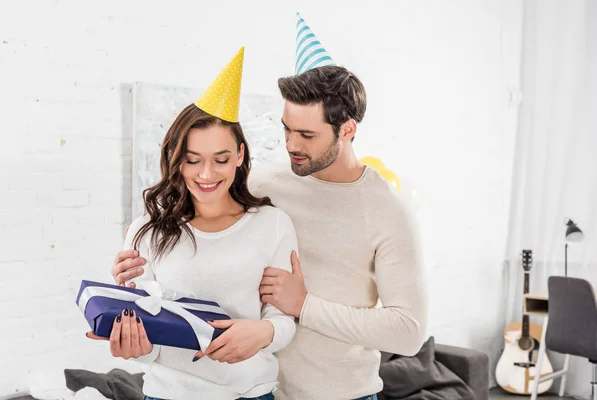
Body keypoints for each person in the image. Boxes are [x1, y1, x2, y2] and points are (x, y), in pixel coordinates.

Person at [112, 15, 428, 400]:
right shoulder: (264, 184)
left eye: (307, 135)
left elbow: (409, 332)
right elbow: (193, 217)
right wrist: (131, 269)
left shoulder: (387, 213)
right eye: (286, 128)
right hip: (262, 390)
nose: (291, 145)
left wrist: (304, 306)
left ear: (347, 130)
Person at [88, 47, 298, 400]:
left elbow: (284, 323)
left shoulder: (273, 225)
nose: (206, 174)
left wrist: (263, 333)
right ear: (176, 159)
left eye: (221, 159)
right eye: (192, 160)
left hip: (252, 394)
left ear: (241, 155)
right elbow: (149, 339)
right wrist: (133, 344)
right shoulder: (147, 231)